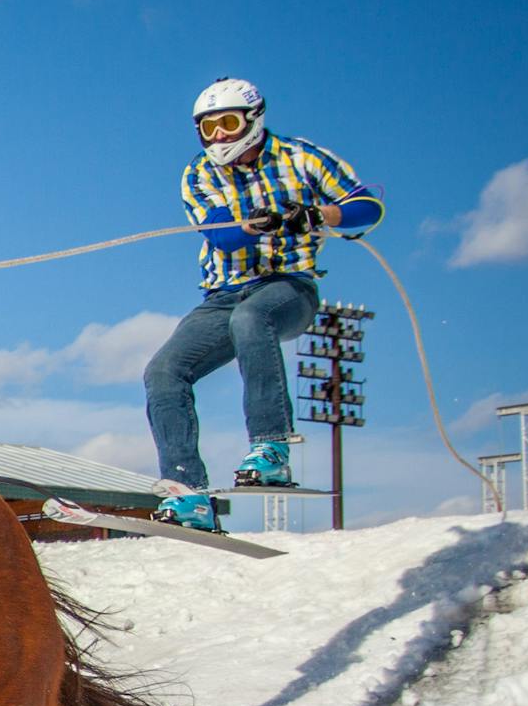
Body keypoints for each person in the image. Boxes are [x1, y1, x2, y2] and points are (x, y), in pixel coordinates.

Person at [144, 78, 384, 531]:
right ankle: (187, 491)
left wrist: (320, 214)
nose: (218, 137)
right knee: (163, 371)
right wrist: (255, 225)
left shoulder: (301, 157)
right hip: (223, 294)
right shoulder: (199, 173)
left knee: (252, 319)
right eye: (208, 128)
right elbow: (216, 232)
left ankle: (271, 448)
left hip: (287, 287)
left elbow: (368, 206)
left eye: (228, 124)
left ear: (253, 122)